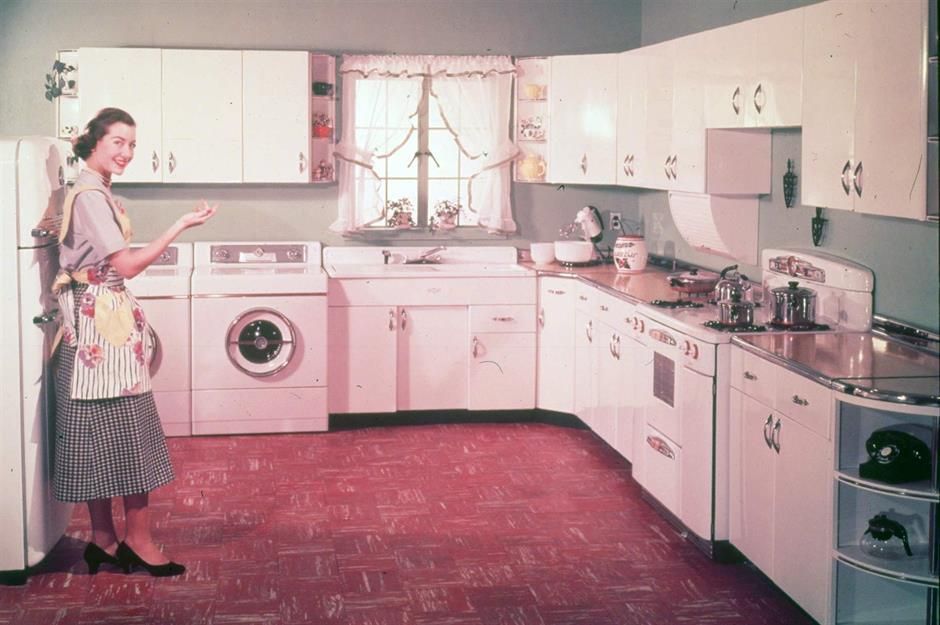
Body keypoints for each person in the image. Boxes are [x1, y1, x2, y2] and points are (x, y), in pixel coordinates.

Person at [53, 107, 217, 577]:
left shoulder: (90, 188)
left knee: (97, 433)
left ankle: (103, 540)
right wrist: (180, 226)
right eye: (118, 142)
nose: (126, 152)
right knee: (128, 434)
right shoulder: (90, 195)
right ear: (94, 142)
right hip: (101, 325)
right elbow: (125, 266)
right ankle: (139, 541)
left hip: (90, 324)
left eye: (132, 145)